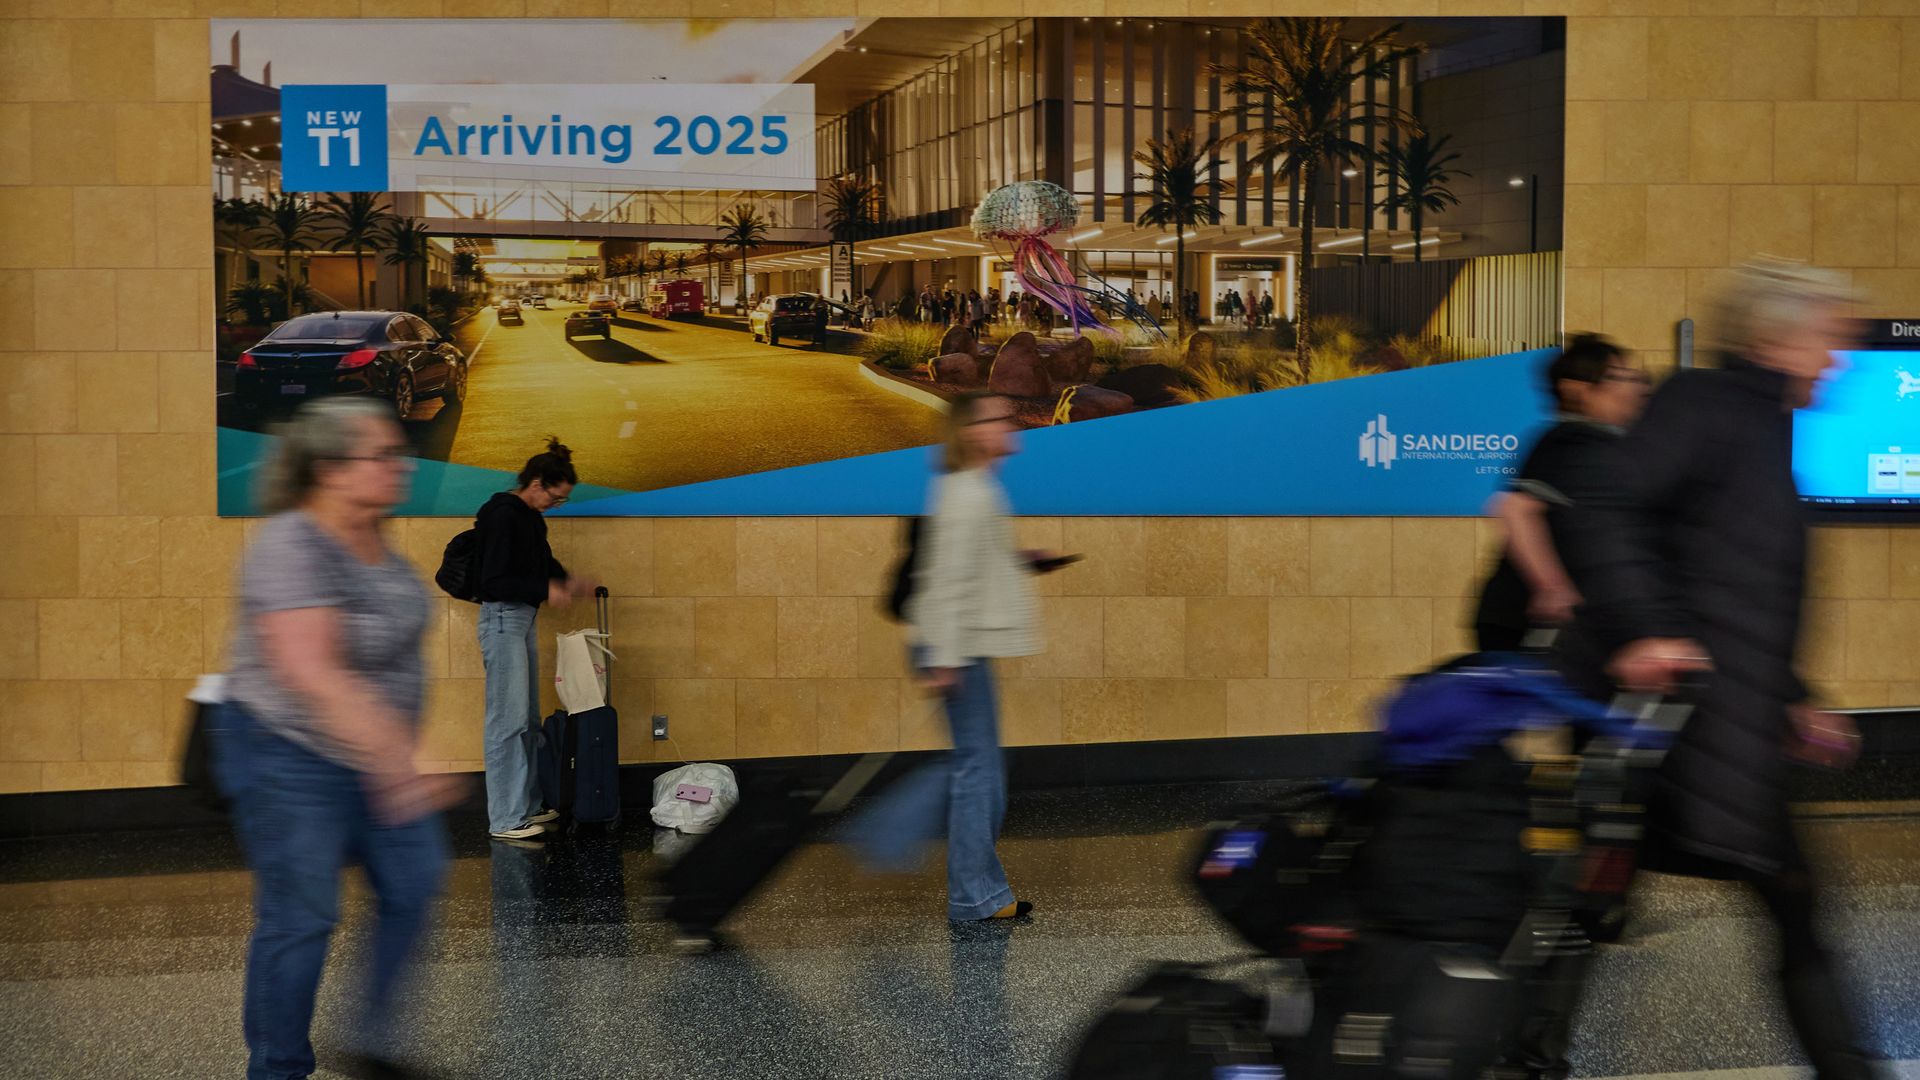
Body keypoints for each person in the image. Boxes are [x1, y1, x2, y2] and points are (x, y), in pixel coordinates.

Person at [1558, 260, 1876, 1080]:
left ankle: (1522, 1049)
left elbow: (1731, 586)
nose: (1835, 360)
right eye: (1826, 340)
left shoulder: (1759, 425)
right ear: (1774, 335)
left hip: (1724, 725)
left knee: (1774, 902)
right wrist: (1644, 630)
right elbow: (1602, 505)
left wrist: (1798, 698)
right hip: (1681, 724)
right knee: (1602, 898)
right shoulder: (1704, 407)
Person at [215, 397, 465, 1080]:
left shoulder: (378, 544)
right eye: (382, 455)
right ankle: (277, 1067)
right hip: (282, 750)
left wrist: (390, 758)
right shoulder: (290, 545)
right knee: (303, 914)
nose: (400, 464)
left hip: (370, 754)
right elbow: (311, 672)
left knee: (414, 882)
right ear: (329, 468)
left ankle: (372, 1043)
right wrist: (396, 768)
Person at [850, 391, 1067, 921]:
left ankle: (976, 891)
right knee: (977, 770)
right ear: (971, 432)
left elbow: (966, 563)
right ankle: (940, 870)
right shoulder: (967, 493)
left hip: (958, 643)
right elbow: (944, 582)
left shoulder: (974, 489)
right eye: (996, 417)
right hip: (954, 646)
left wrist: (1018, 558)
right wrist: (943, 658)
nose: (1008, 423)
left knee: (980, 767)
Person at [1472, 334, 1649, 653]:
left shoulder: (1608, 444)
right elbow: (1515, 509)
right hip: (1526, 622)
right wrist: (1552, 588)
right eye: (1614, 377)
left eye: (1632, 377)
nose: (1632, 388)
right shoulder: (1569, 441)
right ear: (1575, 390)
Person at [474, 438, 594, 842]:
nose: (554, 506)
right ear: (538, 483)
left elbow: (542, 562)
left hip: (521, 618)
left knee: (524, 718)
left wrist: (565, 581)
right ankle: (505, 818)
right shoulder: (501, 514)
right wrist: (547, 587)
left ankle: (525, 807)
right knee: (506, 722)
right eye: (555, 498)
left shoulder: (529, 518)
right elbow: (494, 580)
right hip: (503, 617)